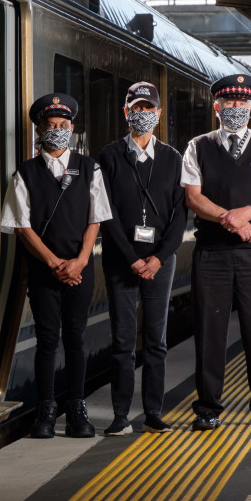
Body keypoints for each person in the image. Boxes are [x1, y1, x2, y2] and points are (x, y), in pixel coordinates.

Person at [182, 74, 251, 431]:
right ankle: (207, 408)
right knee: (209, 331)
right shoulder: (197, 146)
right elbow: (193, 197)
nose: (235, 108)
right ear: (216, 106)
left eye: (242, 102)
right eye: (228, 102)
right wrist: (229, 219)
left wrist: (248, 212)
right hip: (212, 253)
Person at [0, 92, 112, 438]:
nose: (58, 130)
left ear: (73, 129)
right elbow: (21, 226)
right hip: (44, 271)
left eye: (64, 125)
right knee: (47, 340)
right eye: (51, 125)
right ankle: (45, 412)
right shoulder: (25, 174)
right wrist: (53, 263)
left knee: (76, 339)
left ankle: (77, 410)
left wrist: (79, 262)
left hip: (80, 270)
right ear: (39, 130)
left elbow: (96, 220)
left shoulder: (90, 168)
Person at [98, 81, 187, 436]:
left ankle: (153, 411)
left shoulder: (173, 159)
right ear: (126, 112)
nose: (143, 114)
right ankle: (121, 415)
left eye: (149, 109)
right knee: (121, 339)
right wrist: (133, 258)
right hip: (122, 261)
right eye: (136, 108)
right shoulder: (109, 157)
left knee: (156, 339)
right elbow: (106, 214)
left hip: (160, 263)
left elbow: (180, 216)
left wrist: (159, 258)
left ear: (159, 114)